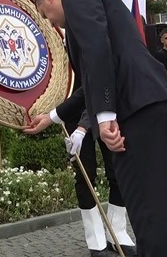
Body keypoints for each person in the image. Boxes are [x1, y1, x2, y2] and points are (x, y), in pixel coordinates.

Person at [25, 0, 167, 257]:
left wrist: (106, 114)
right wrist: (52, 116)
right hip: (150, 104)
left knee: (147, 213)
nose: (51, 22)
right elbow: (93, 80)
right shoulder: (99, 4)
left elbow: (98, 52)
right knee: (154, 211)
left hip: (135, 111)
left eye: (45, 14)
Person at [55, 72, 137, 257]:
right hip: (73, 115)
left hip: (103, 112)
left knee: (118, 171)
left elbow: (96, 84)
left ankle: (117, 232)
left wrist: (85, 125)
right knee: (85, 176)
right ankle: (96, 240)